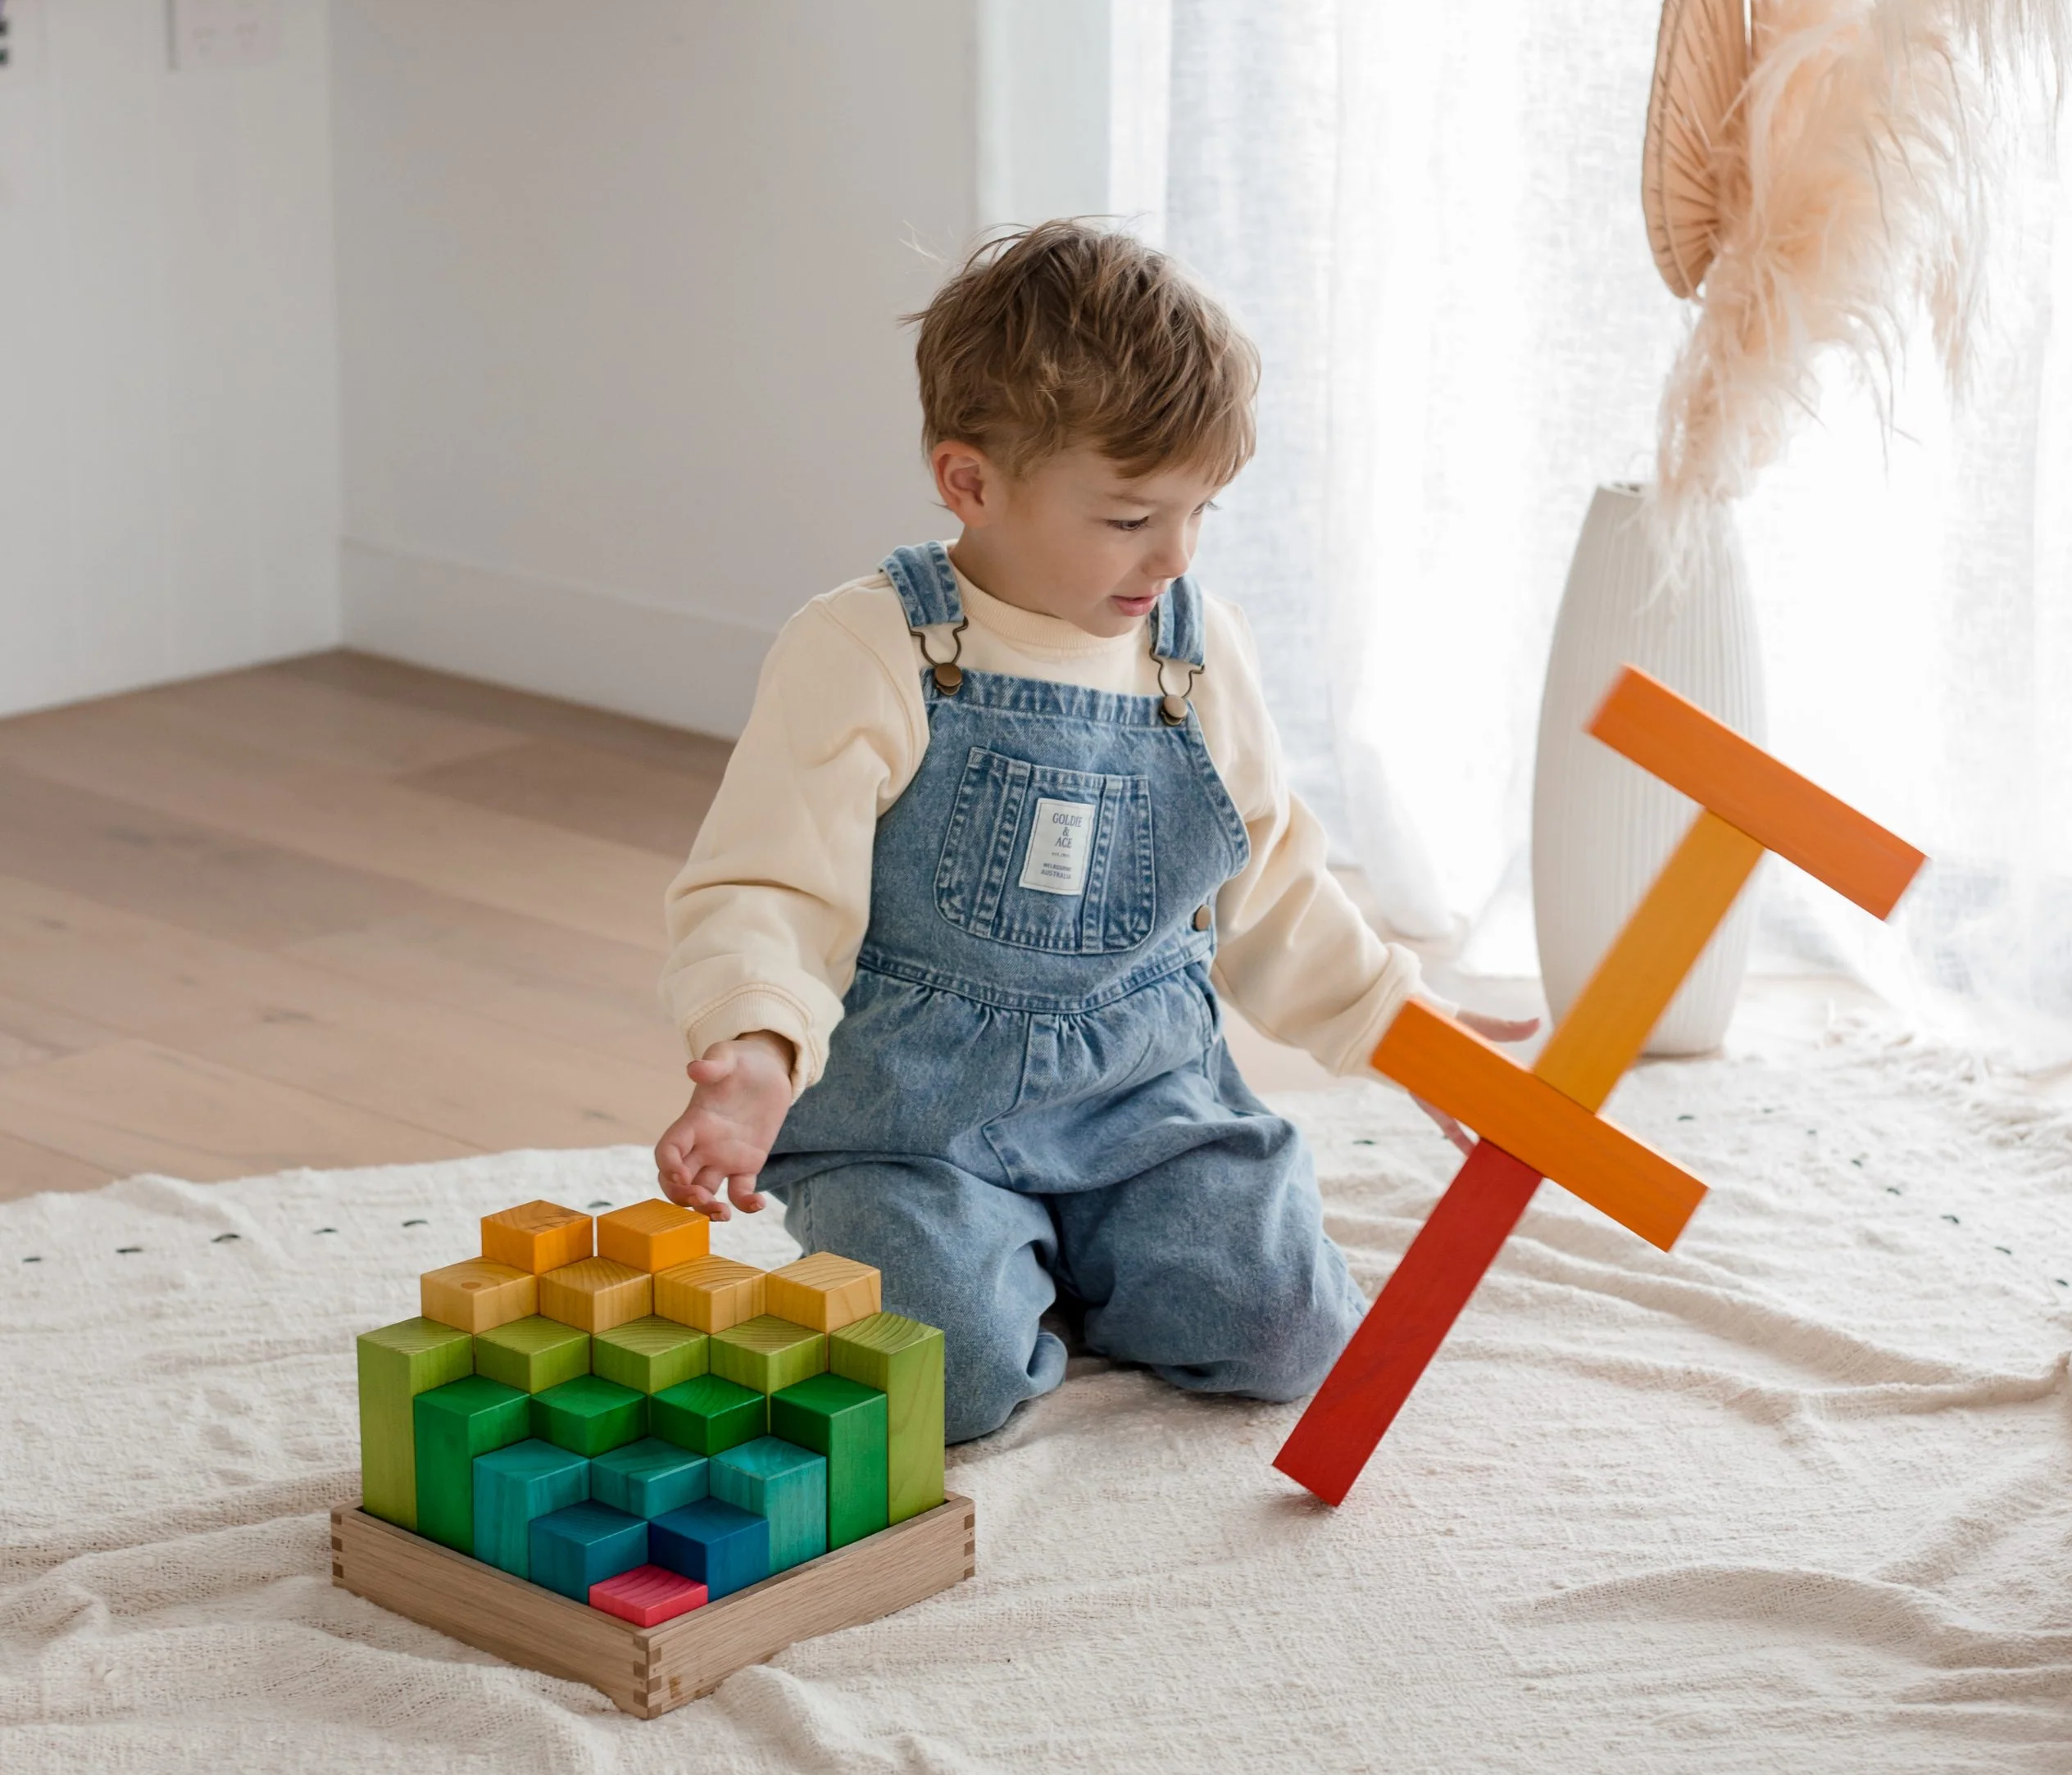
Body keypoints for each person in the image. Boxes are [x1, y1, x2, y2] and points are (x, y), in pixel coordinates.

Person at [653, 220, 1531, 1442]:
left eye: (1200, 513)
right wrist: (753, 1050)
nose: (1172, 556)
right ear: (970, 482)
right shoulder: (865, 649)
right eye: (1129, 518)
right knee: (941, 1384)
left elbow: (1269, 880)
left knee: (1286, 1333)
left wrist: (1406, 1027)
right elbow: (769, 887)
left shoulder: (1195, 648)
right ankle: (1001, 1263)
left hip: (1145, 1103)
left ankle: (1092, 1254)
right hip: (913, 1126)